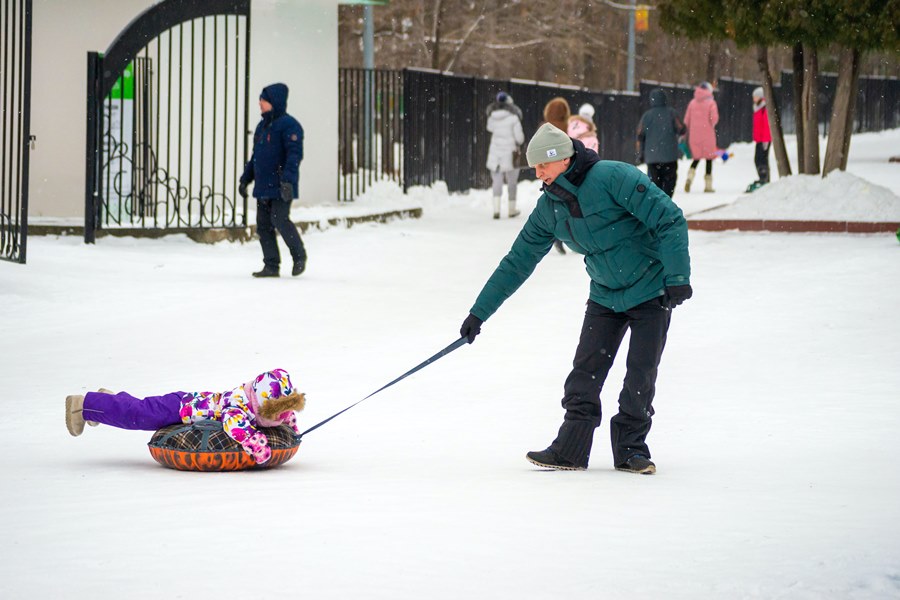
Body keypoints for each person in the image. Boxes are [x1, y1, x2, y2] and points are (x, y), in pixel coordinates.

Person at [458, 123, 691, 474]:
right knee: (585, 374)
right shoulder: (549, 209)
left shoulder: (613, 177)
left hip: (650, 289)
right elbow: (517, 261)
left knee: (639, 377)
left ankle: (631, 450)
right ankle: (571, 448)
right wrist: (479, 313)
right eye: (534, 167)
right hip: (605, 296)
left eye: (542, 166)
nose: (537, 174)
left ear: (564, 159)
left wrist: (676, 276)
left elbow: (669, 219)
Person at [65, 369, 306, 465]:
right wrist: (257, 446)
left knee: (136, 409)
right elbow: (238, 428)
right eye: (278, 413)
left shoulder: (255, 399)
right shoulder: (239, 407)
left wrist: (291, 426)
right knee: (138, 416)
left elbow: (284, 416)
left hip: (185, 404)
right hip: (177, 409)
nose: (282, 417)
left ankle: (108, 401)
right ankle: (84, 405)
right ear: (260, 404)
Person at [240, 83, 308, 278]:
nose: (260, 103)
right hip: (263, 185)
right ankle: (271, 265)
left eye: (264, 99)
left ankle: (299, 256)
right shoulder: (262, 126)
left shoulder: (290, 126)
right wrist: (245, 179)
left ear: (274, 102)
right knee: (263, 224)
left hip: (281, 184)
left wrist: (287, 181)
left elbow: (294, 156)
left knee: (279, 219)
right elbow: (256, 157)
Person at [637, 88, 686, 198]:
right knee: (670, 182)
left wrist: (641, 154)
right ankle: (667, 203)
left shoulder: (647, 116)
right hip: (670, 157)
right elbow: (681, 129)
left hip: (652, 158)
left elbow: (640, 135)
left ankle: (657, 206)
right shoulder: (672, 113)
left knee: (654, 184)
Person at [485, 92, 525, 219]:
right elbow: (520, 138)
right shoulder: (514, 118)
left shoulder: (492, 117)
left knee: (496, 181)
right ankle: (511, 209)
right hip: (510, 154)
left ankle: (496, 210)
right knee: (512, 182)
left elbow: (489, 129)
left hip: (495, 153)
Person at [541, 97, 572, 255]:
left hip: (547, 173)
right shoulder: (567, 128)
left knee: (552, 205)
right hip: (563, 172)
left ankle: (554, 236)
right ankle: (567, 237)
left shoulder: (543, 129)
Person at [682, 81, 719, 193]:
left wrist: (685, 134)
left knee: (696, 158)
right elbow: (714, 119)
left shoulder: (692, 103)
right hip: (707, 135)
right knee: (709, 159)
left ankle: (689, 178)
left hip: (694, 135)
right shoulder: (711, 103)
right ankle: (708, 186)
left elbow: (686, 120)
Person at [748, 86, 771, 192]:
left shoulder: (764, 109)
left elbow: (766, 125)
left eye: (755, 96)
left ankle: (764, 178)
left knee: (761, 159)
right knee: (757, 159)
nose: (754, 98)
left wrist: (766, 140)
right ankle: (763, 178)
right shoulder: (757, 108)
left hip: (764, 140)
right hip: (759, 139)